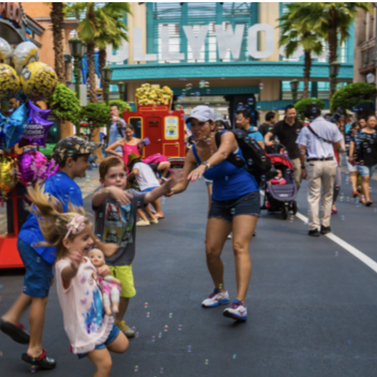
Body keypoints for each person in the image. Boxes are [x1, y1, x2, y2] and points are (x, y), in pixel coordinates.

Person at [0, 137, 116, 371]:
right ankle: (34, 350)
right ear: (70, 161)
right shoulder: (70, 186)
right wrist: (101, 247)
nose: (89, 163)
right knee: (40, 295)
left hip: (31, 241)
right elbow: (78, 224)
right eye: (85, 160)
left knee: (39, 284)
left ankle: (11, 317)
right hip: (39, 244)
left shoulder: (54, 180)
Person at [26, 183, 129, 377]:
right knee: (105, 365)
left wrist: (104, 274)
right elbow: (68, 274)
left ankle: (98, 347)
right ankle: (92, 350)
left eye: (89, 237)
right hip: (84, 328)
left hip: (99, 320)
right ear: (67, 243)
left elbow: (93, 280)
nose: (90, 242)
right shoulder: (64, 265)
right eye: (84, 239)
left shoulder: (85, 259)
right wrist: (74, 267)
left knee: (122, 346)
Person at [169, 105, 259, 321]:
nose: (196, 128)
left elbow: (224, 153)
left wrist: (205, 165)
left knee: (239, 246)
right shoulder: (192, 152)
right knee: (211, 251)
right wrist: (168, 188)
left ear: (212, 124)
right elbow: (183, 183)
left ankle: (240, 303)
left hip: (245, 194)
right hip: (220, 200)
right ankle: (220, 292)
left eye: (201, 123)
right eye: (192, 124)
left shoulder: (225, 136)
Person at [93, 156, 177, 337]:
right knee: (102, 295)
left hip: (124, 257)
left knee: (125, 293)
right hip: (101, 260)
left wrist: (165, 186)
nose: (118, 180)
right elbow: (95, 199)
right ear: (102, 181)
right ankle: (100, 323)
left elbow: (150, 195)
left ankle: (118, 321)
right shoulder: (103, 200)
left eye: (121, 175)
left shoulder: (131, 196)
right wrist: (108, 190)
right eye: (112, 176)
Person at [296, 104, 343, 237]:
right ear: (320, 112)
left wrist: (303, 166)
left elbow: (301, 149)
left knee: (313, 197)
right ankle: (325, 226)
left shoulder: (306, 129)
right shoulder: (332, 126)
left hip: (313, 163)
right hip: (329, 162)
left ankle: (313, 228)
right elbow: (338, 145)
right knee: (328, 195)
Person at [349, 115, 377, 206]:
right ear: (366, 122)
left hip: (373, 160)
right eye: (371, 120)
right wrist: (351, 155)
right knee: (365, 178)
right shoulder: (359, 133)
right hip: (361, 159)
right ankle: (367, 198)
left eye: (374, 121)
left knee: (367, 179)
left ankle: (362, 196)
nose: (372, 122)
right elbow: (352, 143)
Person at [264, 105, 305, 189]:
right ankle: (285, 198)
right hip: (283, 158)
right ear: (285, 114)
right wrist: (267, 141)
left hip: (296, 157)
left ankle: (292, 196)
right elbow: (268, 134)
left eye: (294, 113)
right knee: (284, 180)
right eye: (290, 114)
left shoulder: (299, 124)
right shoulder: (279, 125)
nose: (292, 115)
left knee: (297, 180)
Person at [128, 153, 163, 225]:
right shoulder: (145, 165)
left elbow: (135, 172)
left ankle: (144, 220)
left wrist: (127, 178)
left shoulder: (136, 165)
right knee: (150, 199)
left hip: (146, 186)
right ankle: (154, 216)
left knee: (136, 201)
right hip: (156, 185)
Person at [345, 121, 361, 198]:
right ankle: (354, 189)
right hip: (350, 156)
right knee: (353, 172)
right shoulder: (348, 136)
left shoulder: (361, 136)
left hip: (359, 157)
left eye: (358, 129)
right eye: (355, 129)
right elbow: (344, 144)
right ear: (352, 129)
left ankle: (357, 186)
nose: (356, 131)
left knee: (358, 173)